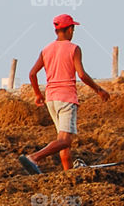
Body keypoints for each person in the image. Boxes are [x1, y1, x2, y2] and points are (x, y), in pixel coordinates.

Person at [19, 13, 109, 174]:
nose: (73, 32)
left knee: (62, 139)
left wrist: (38, 95)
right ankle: (34, 158)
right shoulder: (74, 49)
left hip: (51, 99)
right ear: (69, 29)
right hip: (67, 98)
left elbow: (32, 74)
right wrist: (99, 90)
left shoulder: (46, 50)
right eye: (73, 29)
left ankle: (67, 173)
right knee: (65, 141)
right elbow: (81, 74)